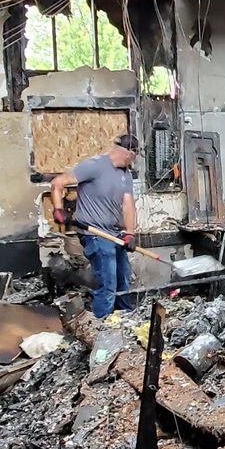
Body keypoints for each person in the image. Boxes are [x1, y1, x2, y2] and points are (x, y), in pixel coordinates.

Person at [50, 133, 140, 318]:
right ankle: (101, 329)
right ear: (129, 153)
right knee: (108, 285)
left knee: (123, 281)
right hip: (95, 234)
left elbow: (128, 204)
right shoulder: (95, 165)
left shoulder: (126, 175)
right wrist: (58, 209)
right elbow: (57, 183)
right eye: (135, 154)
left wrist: (130, 233)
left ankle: (126, 321)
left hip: (115, 234)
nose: (135, 159)